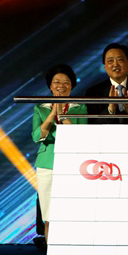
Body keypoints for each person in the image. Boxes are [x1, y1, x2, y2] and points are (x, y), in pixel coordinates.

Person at [32, 64, 88, 242]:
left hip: (73, 164)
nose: (61, 86)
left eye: (66, 82)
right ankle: (51, 252)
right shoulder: (40, 108)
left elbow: (82, 136)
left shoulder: (80, 108)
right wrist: (52, 115)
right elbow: (37, 136)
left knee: (71, 213)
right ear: (50, 85)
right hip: (47, 164)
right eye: (57, 82)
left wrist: (63, 117)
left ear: (72, 86)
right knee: (49, 215)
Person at [84, 43, 128, 123]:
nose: (115, 64)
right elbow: (92, 124)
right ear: (105, 67)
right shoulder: (93, 93)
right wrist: (110, 110)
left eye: (120, 60)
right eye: (110, 61)